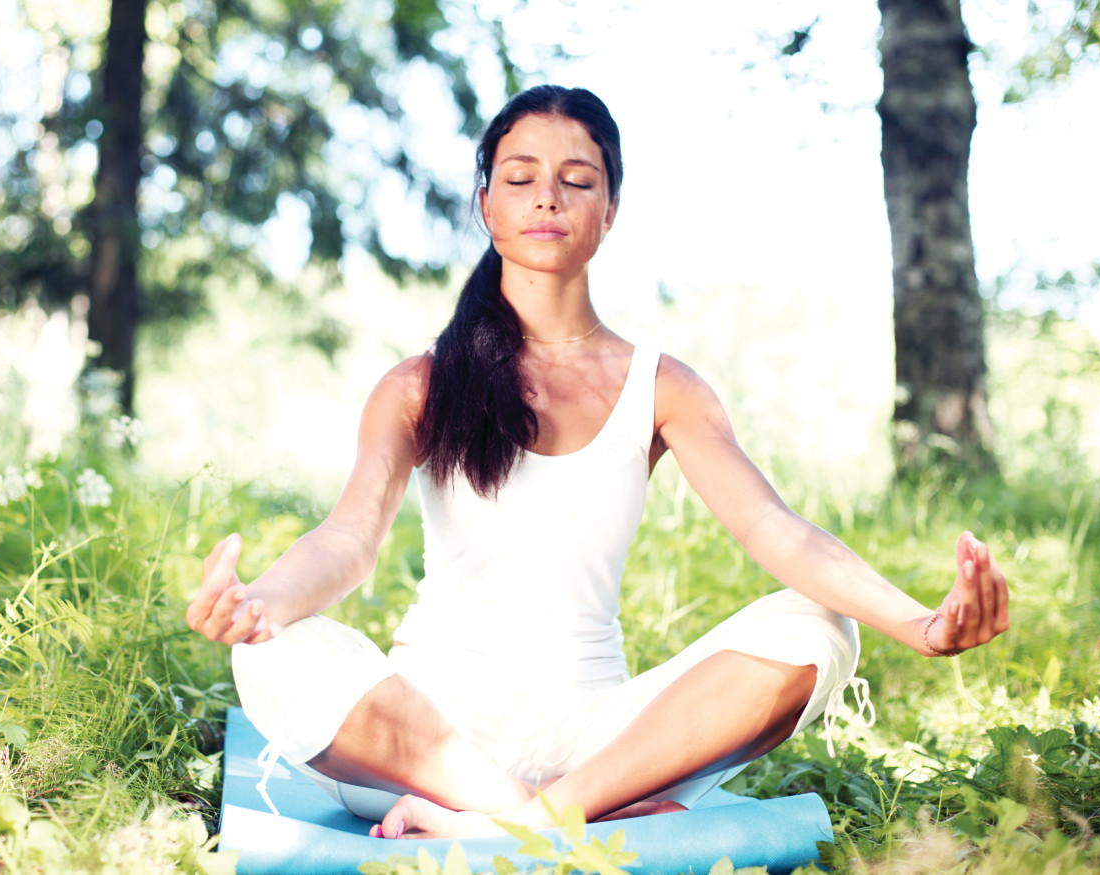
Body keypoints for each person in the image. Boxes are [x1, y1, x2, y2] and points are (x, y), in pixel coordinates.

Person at [185, 84, 1009, 840]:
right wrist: (261, 601)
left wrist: (919, 622)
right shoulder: (419, 385)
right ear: (486, 205)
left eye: (578, 179)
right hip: (425, 740)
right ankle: (533, 814)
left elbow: (774, 529)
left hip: (599, 742)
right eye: (521, 176)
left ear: (610, 210)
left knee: (818, 629)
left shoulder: (664, 387)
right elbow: (349, 537)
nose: (549, 194)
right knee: (271, 651)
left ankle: (518, 817)